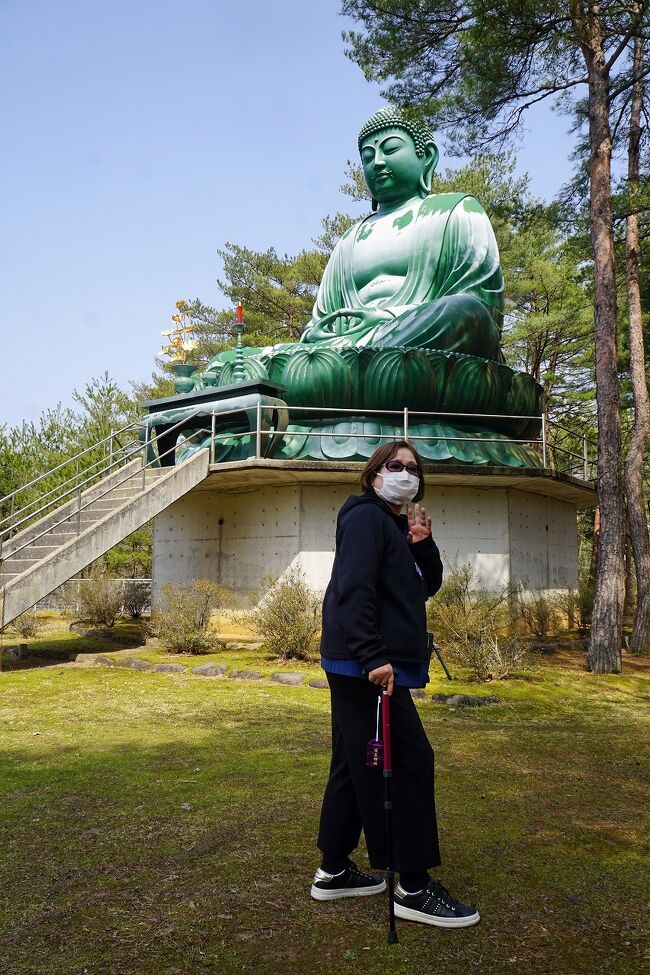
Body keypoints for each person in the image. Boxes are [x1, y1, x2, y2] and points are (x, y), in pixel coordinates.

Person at [310, 440, 480, 928]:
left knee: (351, 763)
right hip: (367, 668)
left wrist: (422, 543)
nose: (405, 472)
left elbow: (423, 587)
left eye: (413, 468)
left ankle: (334, 870)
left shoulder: (393, 524)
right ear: (374, 472)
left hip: (365, 665)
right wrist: (373, 657)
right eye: (395, 465)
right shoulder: (365, 517)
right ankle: (412, 884)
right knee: (406, 761)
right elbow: (352, 589)